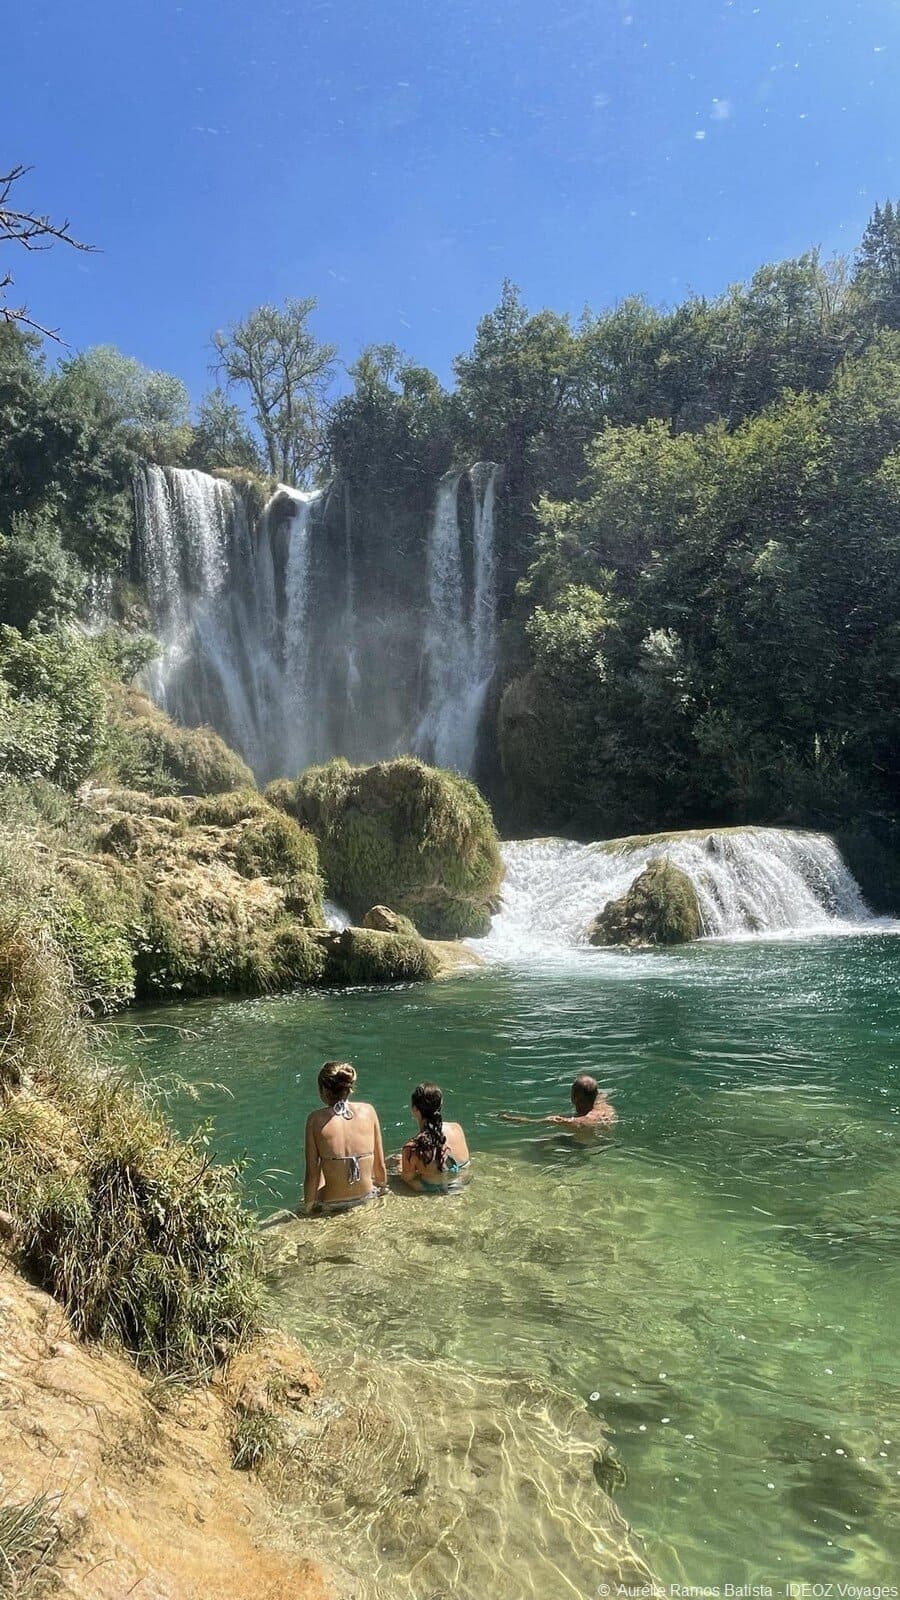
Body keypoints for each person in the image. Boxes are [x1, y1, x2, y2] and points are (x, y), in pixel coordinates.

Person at [304, 1060, 387, 1214]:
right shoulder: (368, 1111)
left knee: (321, 1167)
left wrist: (308, 1209)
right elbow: (380, 1167)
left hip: (332, 1202)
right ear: (349, 1088)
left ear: (324, 1090)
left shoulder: (315, 1119)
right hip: (366, 1195)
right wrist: (382, 1189)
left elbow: (311, 1174)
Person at [399, 1082, 471, 1194]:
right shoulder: (456, 1128)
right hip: (463, 1182)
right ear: (440, 1105)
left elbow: (408, 1179)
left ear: (414, 1110)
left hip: (432, 1190)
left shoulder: (412, 1148)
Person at [499, 1073, 616, 1138]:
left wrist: (510, 1119)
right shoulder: (605, 1108)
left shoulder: (573, 1121)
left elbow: (532, 1123)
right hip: (605, 1141)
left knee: (542, 1143)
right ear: (595, 1095)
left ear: (574, 1097)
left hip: (586, 1146)